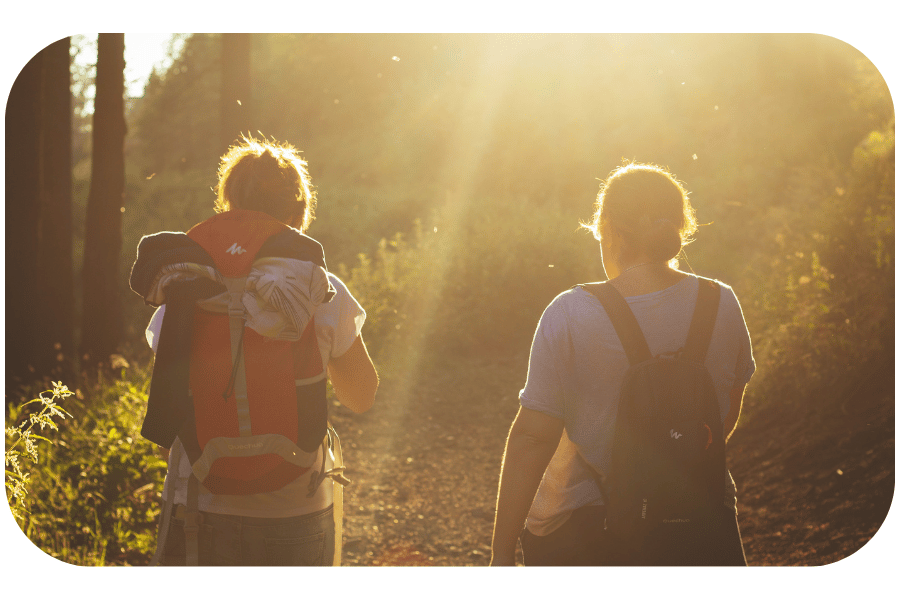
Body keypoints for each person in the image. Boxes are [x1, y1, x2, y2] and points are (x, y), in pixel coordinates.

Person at [490, 162, 755, 566]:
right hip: (700, 516)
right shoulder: (722, 303)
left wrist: (501, 551)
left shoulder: (571, 312)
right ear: (680, 227)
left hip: (585, 529)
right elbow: (725, 413)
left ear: (608, 226)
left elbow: (532, 438)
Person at [134, 136, 378, 566]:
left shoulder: (185, 285)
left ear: (229, 204)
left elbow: (166, 419)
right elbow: (361, 397)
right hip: (295, 509)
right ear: (296, 212)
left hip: (199, 508)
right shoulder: (320, 289)